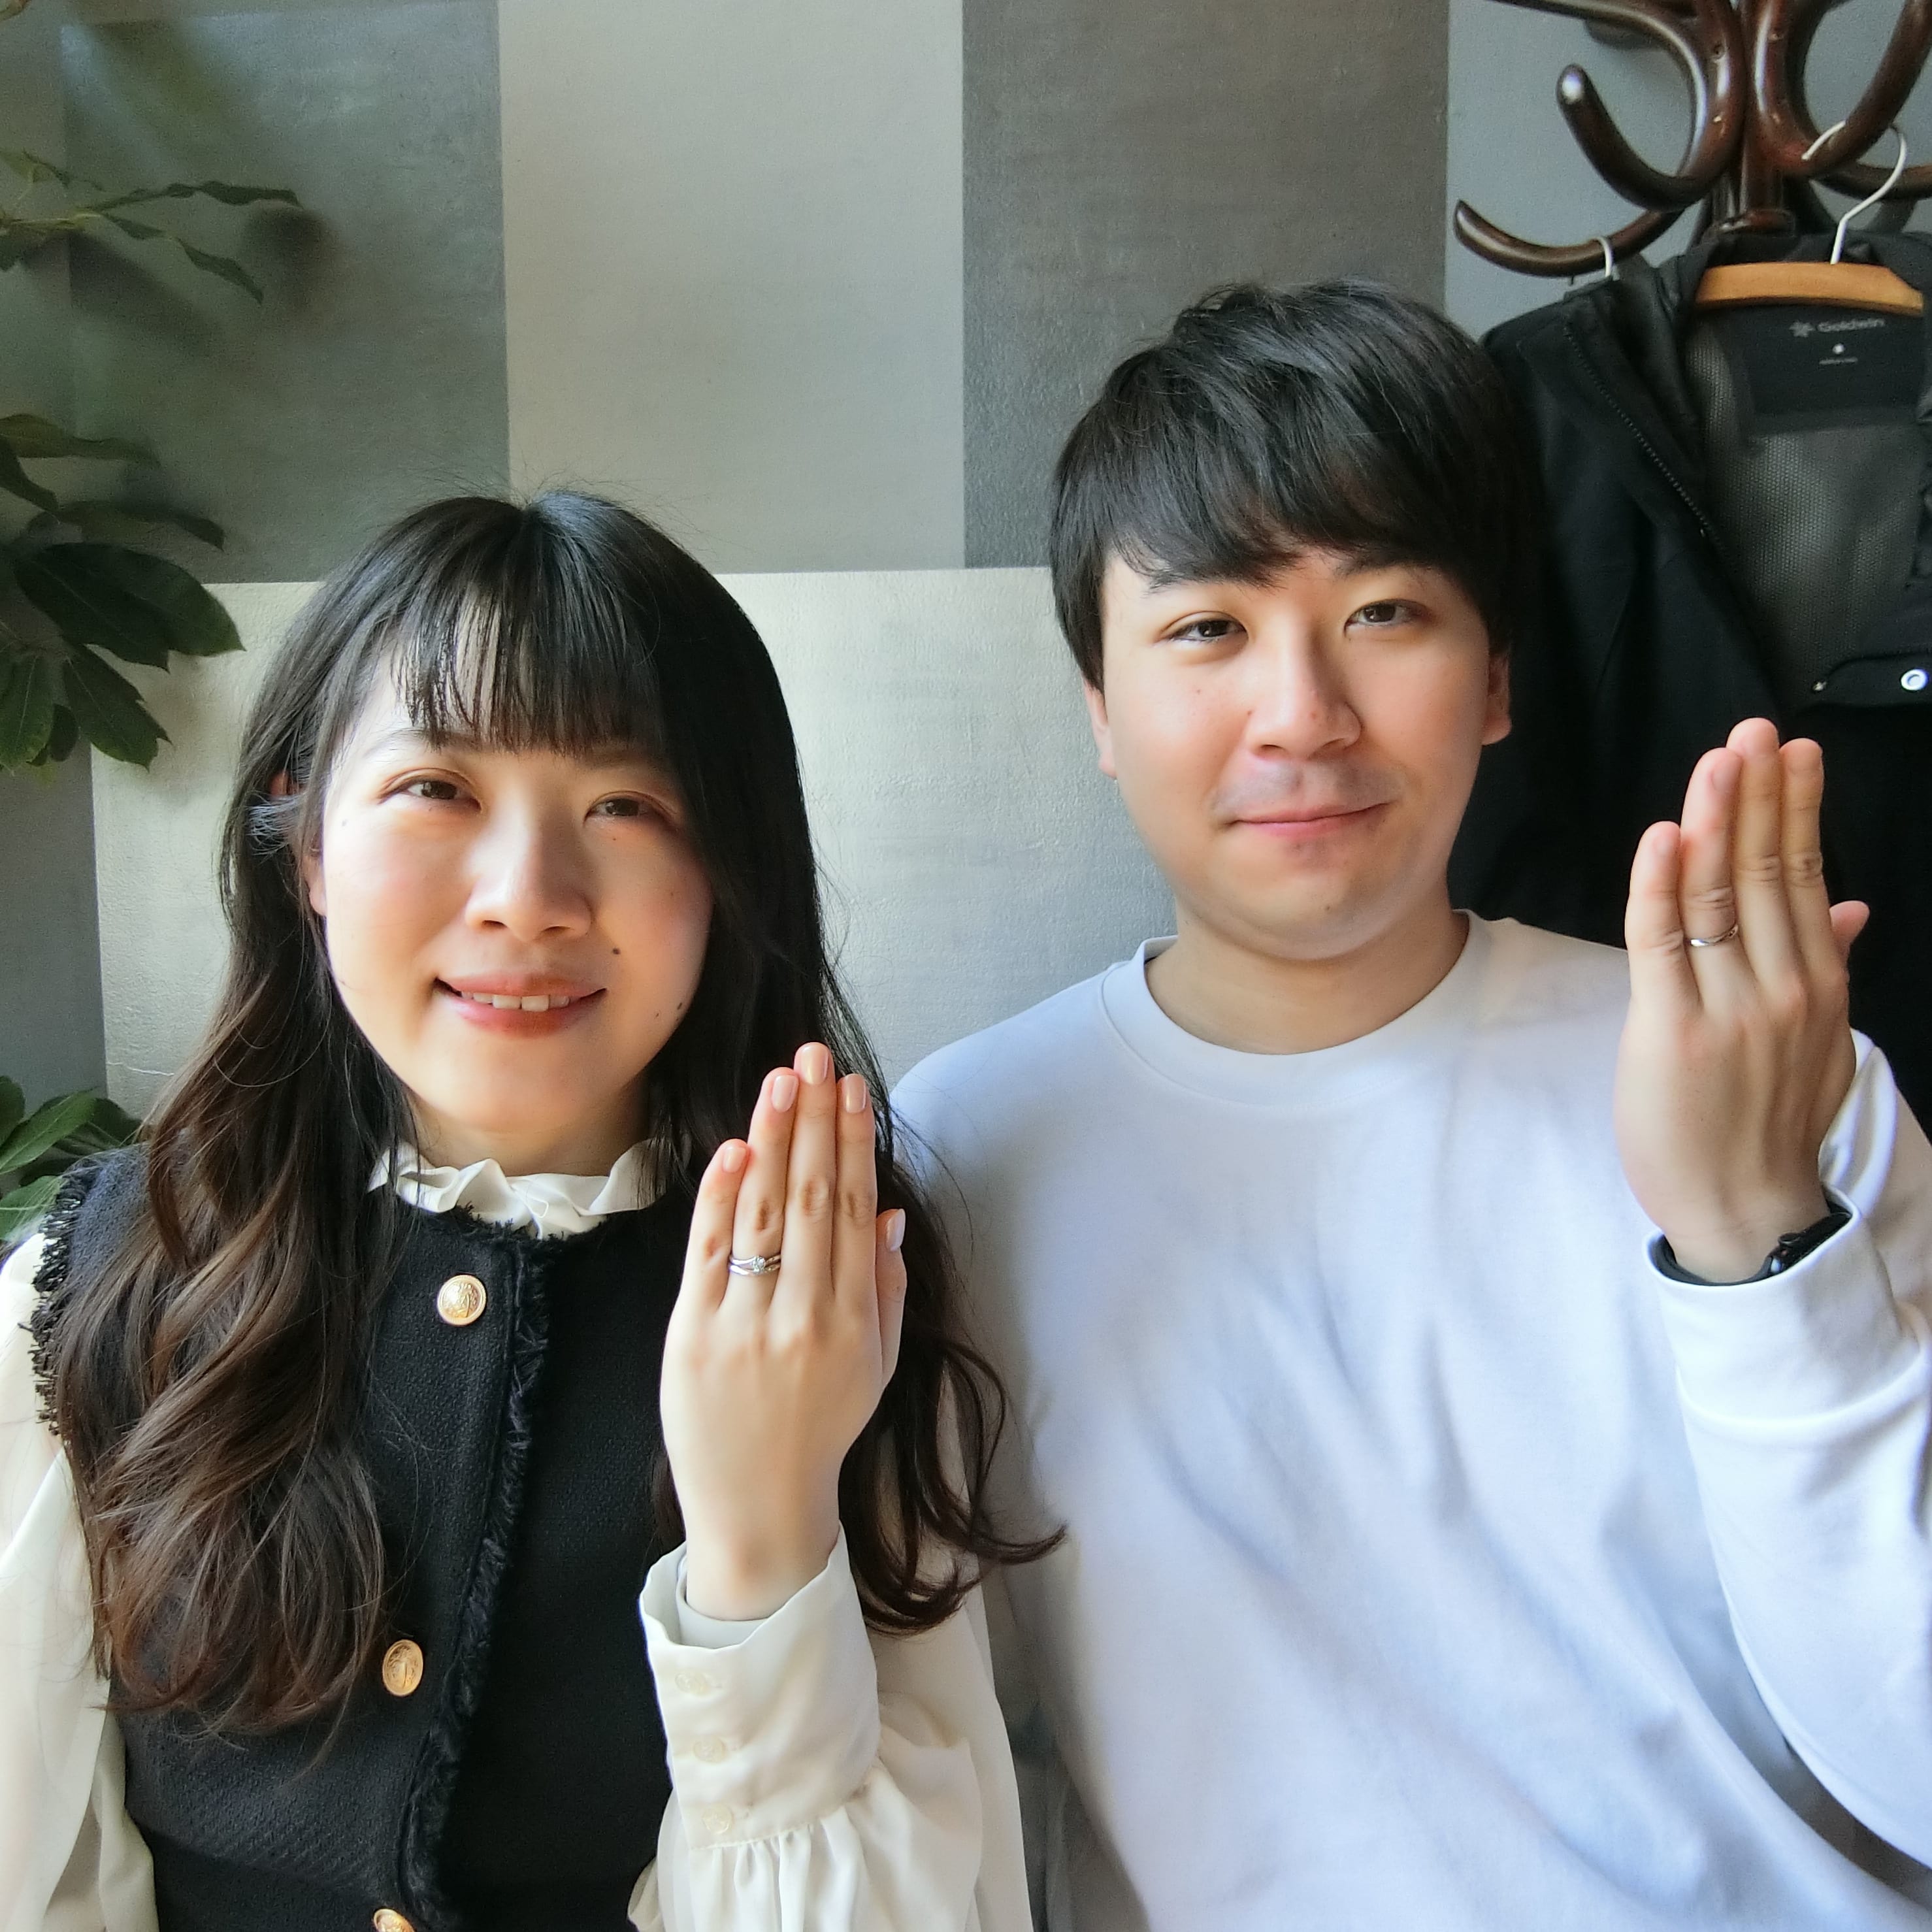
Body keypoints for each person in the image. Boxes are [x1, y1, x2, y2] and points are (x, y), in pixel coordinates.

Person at [892, 284, 1932, 1929]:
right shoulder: (963, 1155)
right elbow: (933, 1778)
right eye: (1207, 629)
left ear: (1497, 675)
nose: (1303, 714)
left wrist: (1760, 1243)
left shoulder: (1770, 1069)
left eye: (1384, 611)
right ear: (1098, 707)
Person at [0, 492, 1041, 1931]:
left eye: (627, 805)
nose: (528, 897)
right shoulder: (99, 1285)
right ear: (307, 848)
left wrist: (764, 1542)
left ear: (727, 870)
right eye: (438, 788)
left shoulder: (836, 1299)